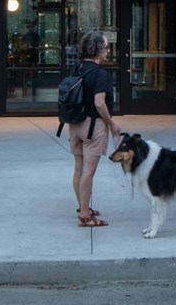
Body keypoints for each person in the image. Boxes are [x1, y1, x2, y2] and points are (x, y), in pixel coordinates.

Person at [69, 30, 123, 227]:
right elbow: (100, 103)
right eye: (106, 47)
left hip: (74, 124)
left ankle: (83, 207)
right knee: (89, 171)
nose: (108, 51)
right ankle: (85, 215)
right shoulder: (100, 74)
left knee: (79, 169)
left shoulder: (77, 69)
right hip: (93, 126)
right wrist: (112, 123)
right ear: (98, 49)